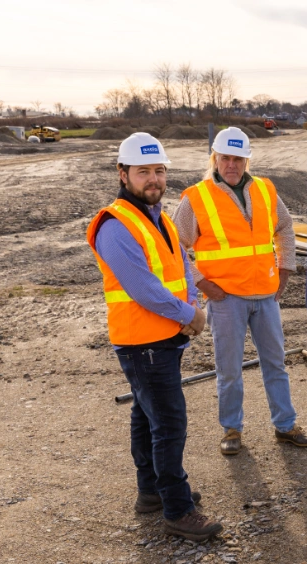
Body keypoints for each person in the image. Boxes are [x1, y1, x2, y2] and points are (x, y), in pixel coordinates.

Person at [86, 133, 223, 541]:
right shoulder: (115, 224)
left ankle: (151, 492)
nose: (153, 179)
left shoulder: (158, 216)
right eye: (143, 171)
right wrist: (190, 314)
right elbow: (141, 288)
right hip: (142, 341)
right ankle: (178, 510)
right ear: (123, 173)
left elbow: (180, 264)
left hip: (163, 335)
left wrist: (190, 303)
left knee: (146, 416)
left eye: (159, 171)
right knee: (169, 423)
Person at [172, 126, 307, 455]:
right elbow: (175, 248)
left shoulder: (265, 190)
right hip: (226, 300)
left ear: (246, 160)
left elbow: (284, 228)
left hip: (265, 295)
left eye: (238, 158)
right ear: (215, 159)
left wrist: (285, 268)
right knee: (229, 369)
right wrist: (200, 281)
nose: (232, 165)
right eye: (225, 158)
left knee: (276, 364)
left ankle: (285, 425)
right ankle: (232, 429)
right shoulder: (196, 197)